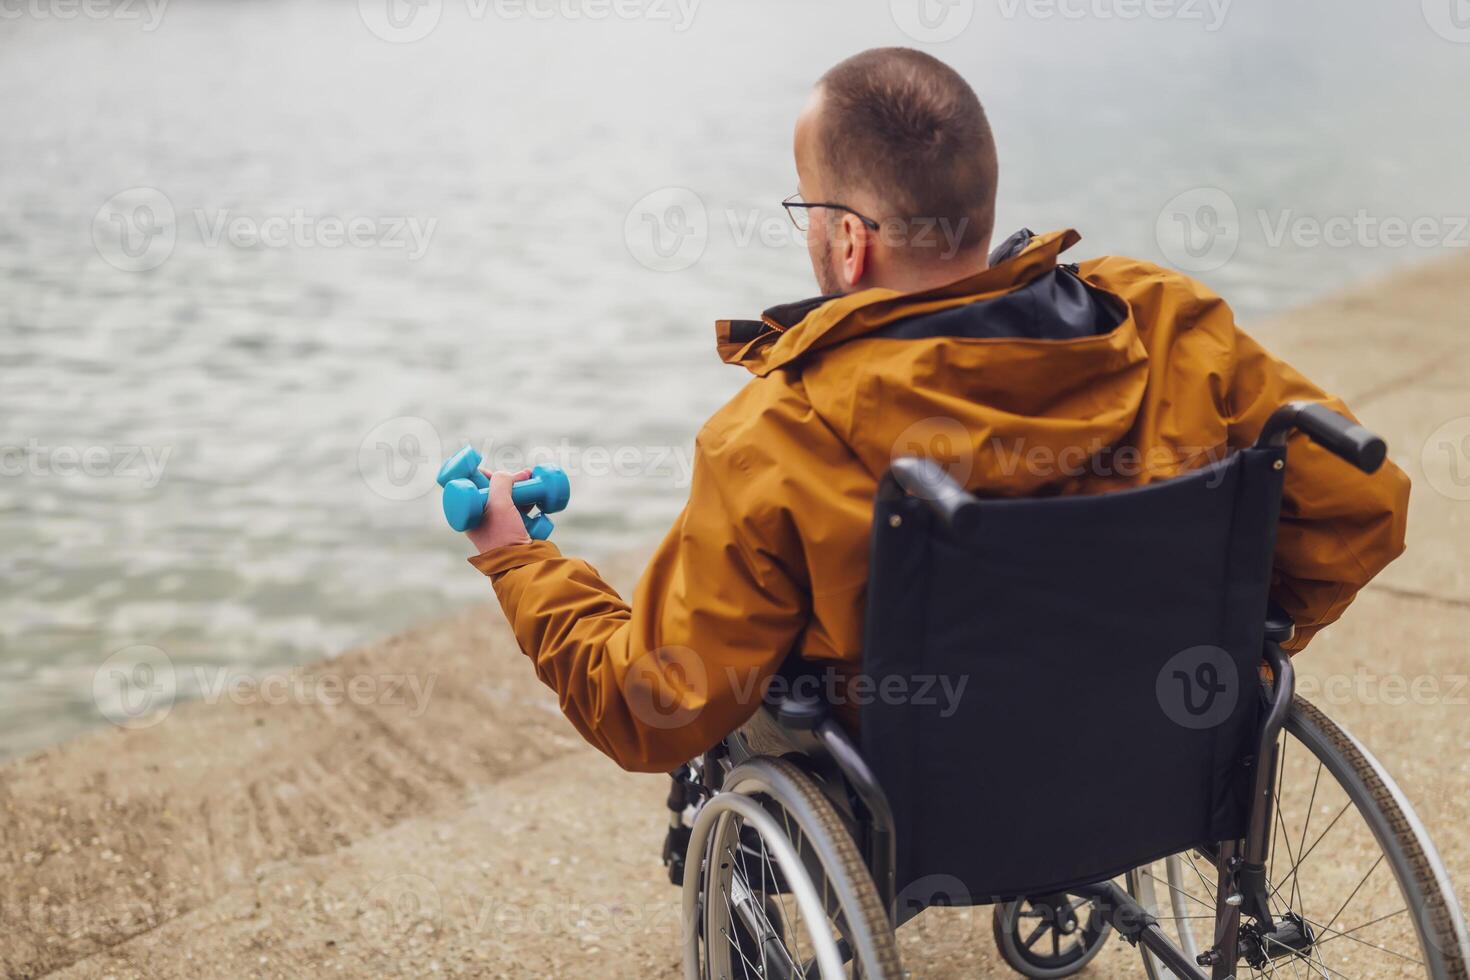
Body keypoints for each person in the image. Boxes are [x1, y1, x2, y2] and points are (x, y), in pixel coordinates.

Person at [464, 47, 1410, 774]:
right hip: (1158, 746)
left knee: (741, 687)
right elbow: (1364, 505)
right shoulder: (1163, 320)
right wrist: (1222, 641)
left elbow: (652, 707)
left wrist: (519, 559)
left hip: (921, 790)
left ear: (848, 243)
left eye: (808, 211)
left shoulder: (778, 436)